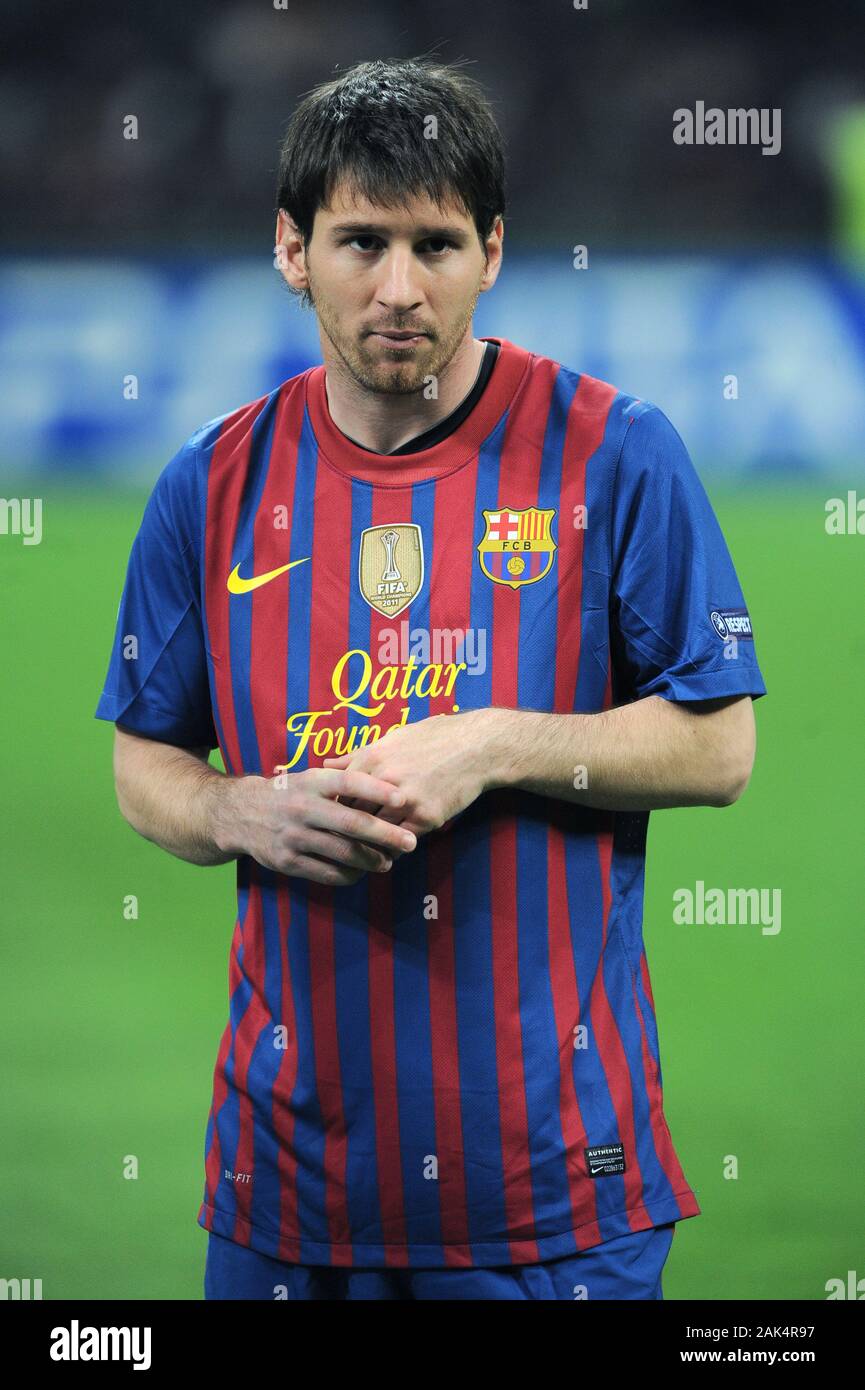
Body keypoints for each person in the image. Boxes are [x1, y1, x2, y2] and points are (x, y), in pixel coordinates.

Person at [95, 56, 766, 1301]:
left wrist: (492, 743)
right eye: (359, 242)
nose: (399, 290)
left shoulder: (613, 453)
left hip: (552, 1198)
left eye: (437, 245)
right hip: (283, 1195)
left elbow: (718, 749)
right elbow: (146, 757)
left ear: (493, 251)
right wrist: (242, 809)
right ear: (291, 249)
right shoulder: (212, 482)